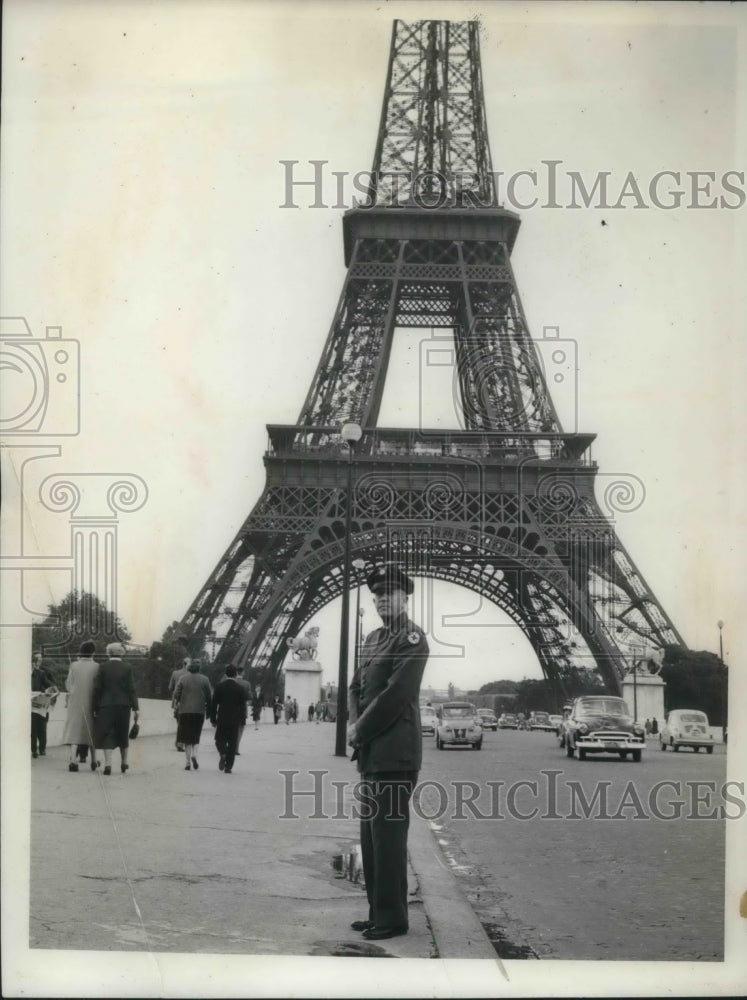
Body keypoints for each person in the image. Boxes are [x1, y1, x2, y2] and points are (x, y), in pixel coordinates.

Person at [347, 564, 429, 941]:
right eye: (378, 594)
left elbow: (395, 696)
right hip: (372, 753)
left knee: (389, 839)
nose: (383, 599)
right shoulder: (372, 638)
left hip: (395, 753)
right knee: (372, 838)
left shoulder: (412, 638)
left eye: (390, 593)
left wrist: (359, 729)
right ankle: (378, 911)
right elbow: (355, 688)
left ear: (405, 597)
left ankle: (393, 919)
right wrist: (354, 726)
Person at [92, 642, 139, 775]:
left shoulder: (103, 667)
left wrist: (95, 706)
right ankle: (124, 763)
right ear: (121, 653)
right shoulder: (127, 667)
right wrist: (136, 708)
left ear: (108, 652)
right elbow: (132, 689)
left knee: (108, 734)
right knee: (123, 733)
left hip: (106, 706)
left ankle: (108, 765)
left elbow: (97, 688)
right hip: (123, 706)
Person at [62, 641, 100, 771]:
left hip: (75, 702)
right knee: (92, 731)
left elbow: (68, 684)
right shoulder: (97, 667)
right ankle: (94, 760)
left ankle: (73, 760)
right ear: (93, 653)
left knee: (74, 730)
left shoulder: (74, 665)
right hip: (91, 701)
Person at [173, 658, 212, 771]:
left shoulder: (182, 678)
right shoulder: (205, 679)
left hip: (184, 711)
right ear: (199, 668)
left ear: (189, 668)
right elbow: (209, 697)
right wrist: (209, 711)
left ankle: (187, 762)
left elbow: (176, 694)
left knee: (186, 738)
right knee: (196, 735)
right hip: (199, 711)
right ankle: (195, 754)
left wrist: (181, 699)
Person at [210, 665, 248, 774]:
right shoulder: (240, 689)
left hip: (222, 718)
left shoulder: (219, 686)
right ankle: (228, 767)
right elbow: (242, 706)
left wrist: (213, 719)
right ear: (236, 674)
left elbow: (214, 704)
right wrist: (242, 720)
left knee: (219, 739)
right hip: (234, 720)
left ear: (226, 674)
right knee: (232, 743)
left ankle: (222, 753)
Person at [31, 653, 58, 759]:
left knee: (42, 727)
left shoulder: (41, 673)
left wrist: (55, 690)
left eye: (40, 659)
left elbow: (49, 684)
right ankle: (34, 750)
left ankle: (42, 749)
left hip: (40, 702)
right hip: (30, 703)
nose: (40, 661)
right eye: (38, 659)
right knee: (33, 728)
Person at [168, 657, 190, 751]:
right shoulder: (190, 675)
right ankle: (181, 742)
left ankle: (179, 742)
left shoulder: (175, 673)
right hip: (187, 702)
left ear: (182, 663)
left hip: (177, 701)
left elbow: (170, 687)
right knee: (185, 723)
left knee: (180, 722)